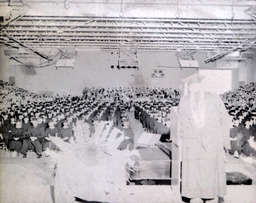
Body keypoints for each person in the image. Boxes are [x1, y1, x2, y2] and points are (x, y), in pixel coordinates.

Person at [176, 73, 231, 203]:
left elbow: (180, 123)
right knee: (210, 169)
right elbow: (225, 118)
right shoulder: (214, 97)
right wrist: (225, 141)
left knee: (194, 170)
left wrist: (181, 140)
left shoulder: (184, 100)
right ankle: (212, 195)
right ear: (201, 86)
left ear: (190, 88)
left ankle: (193, 195)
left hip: (192, 141)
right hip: (212, 141)